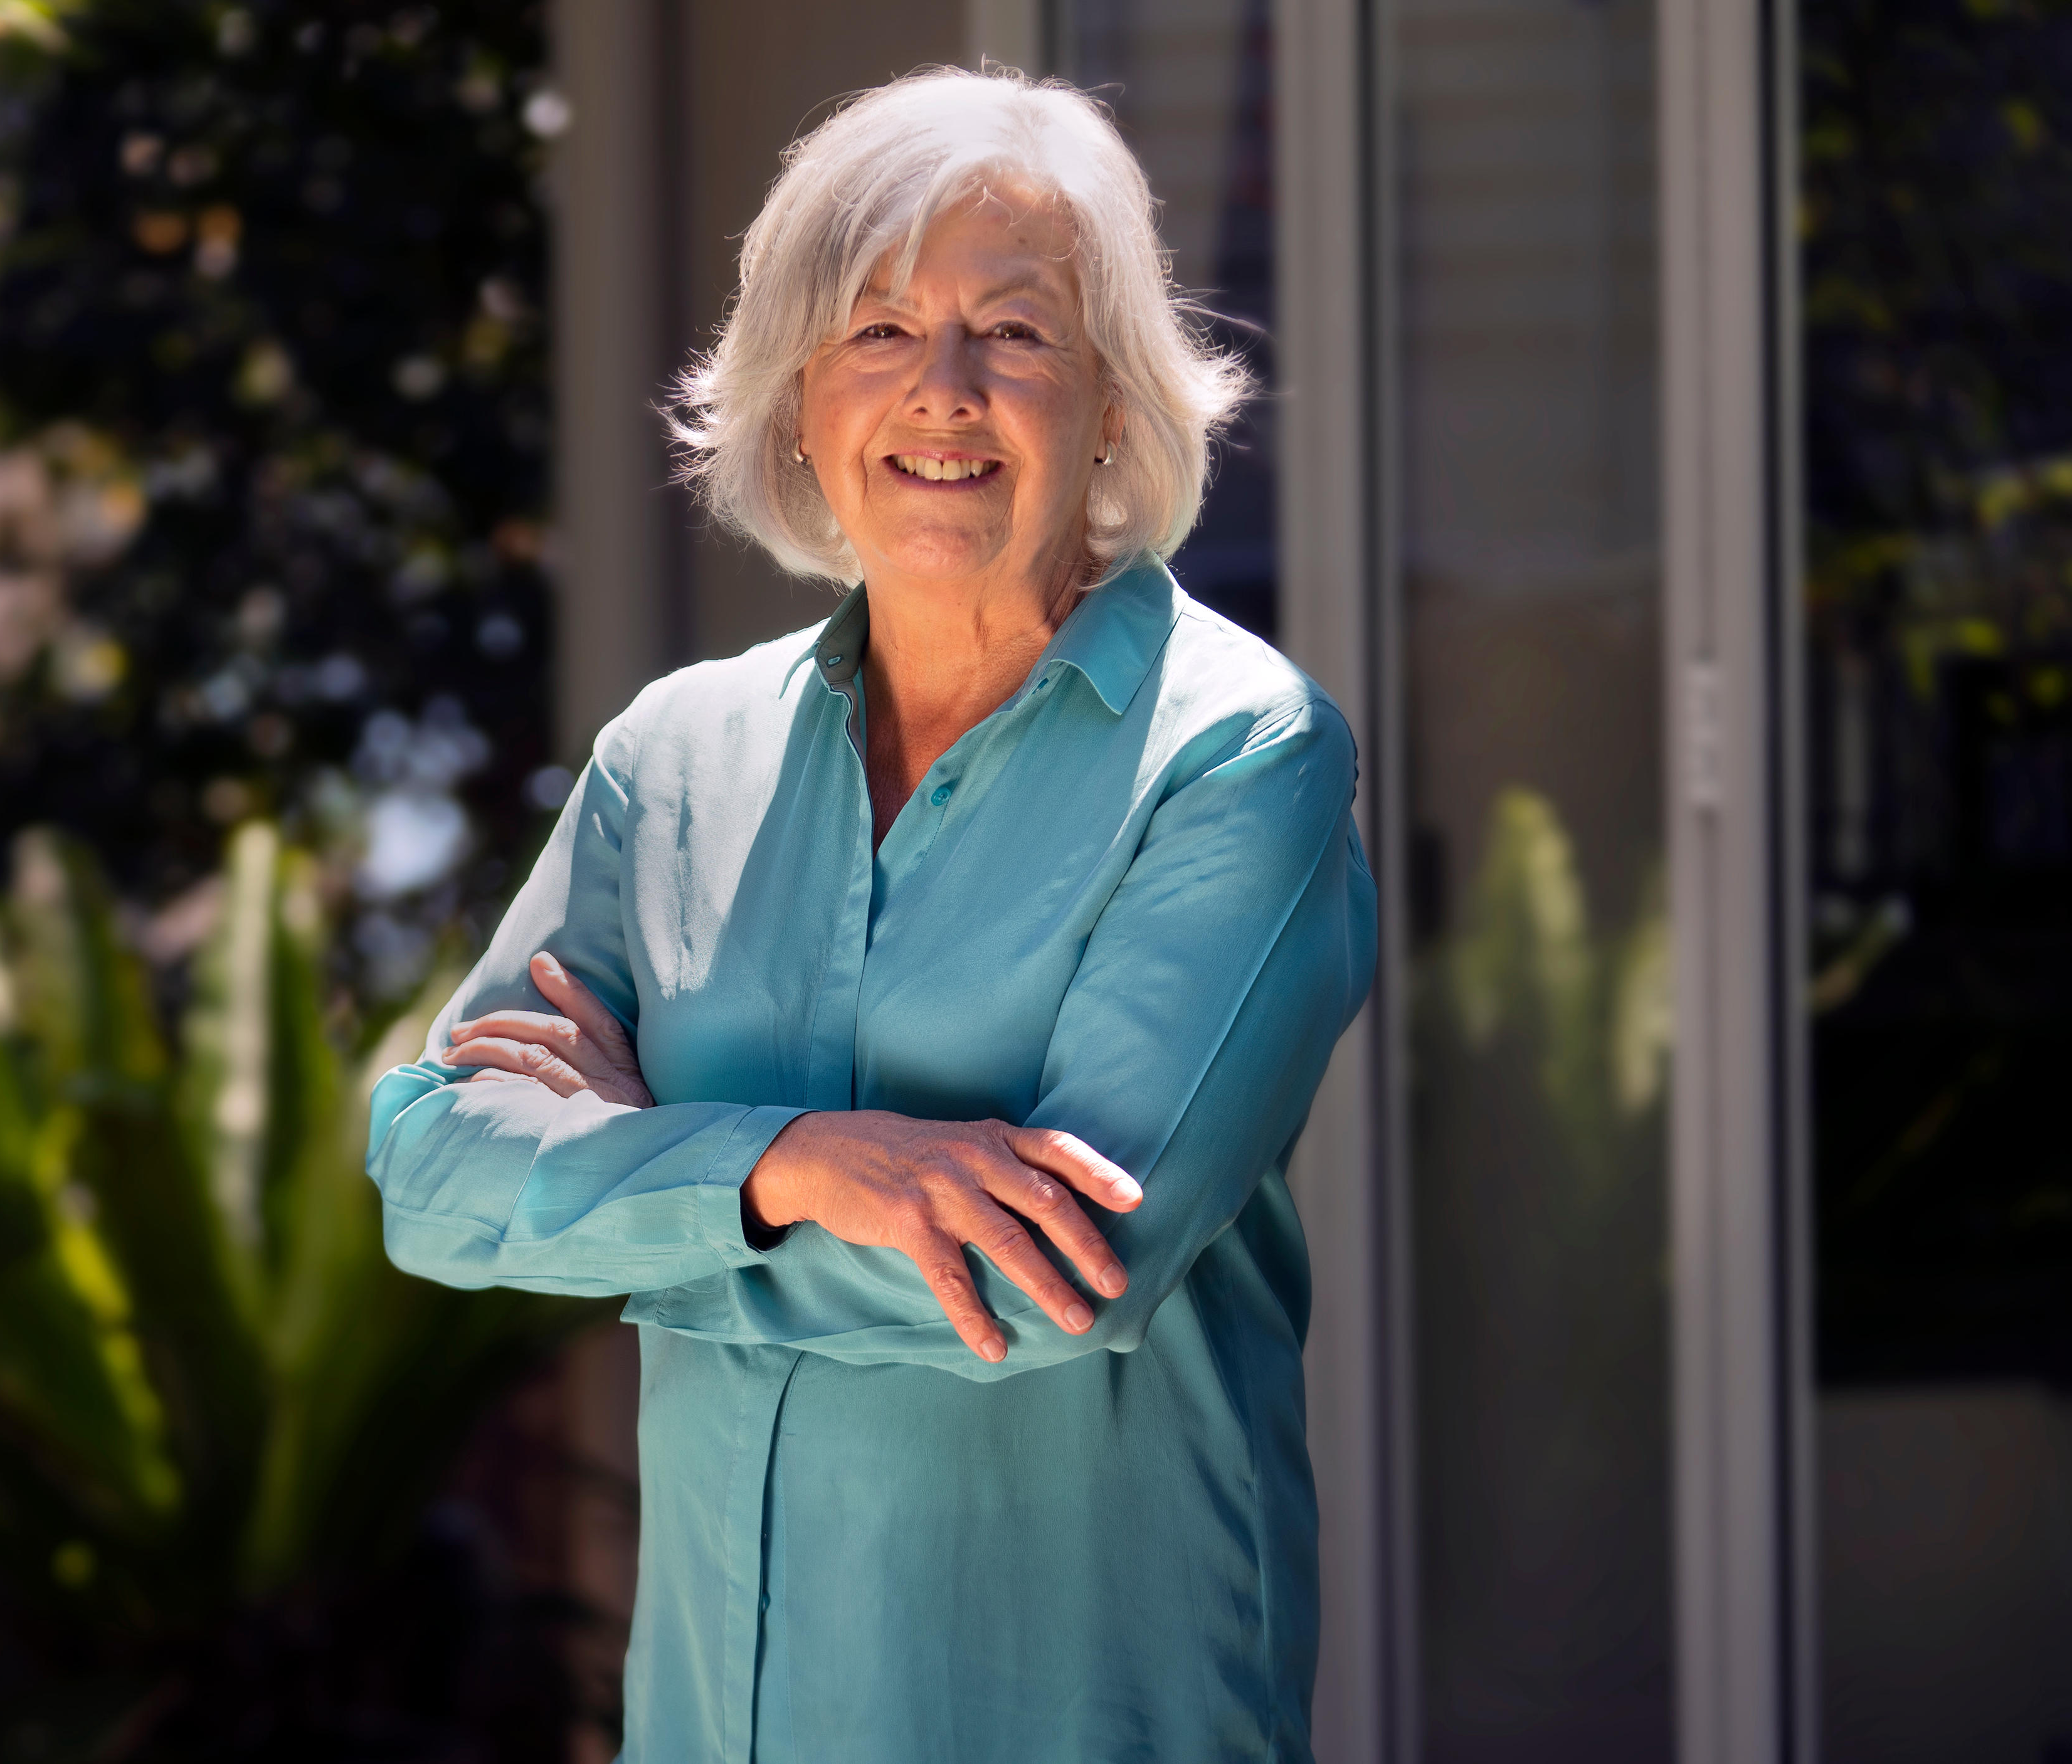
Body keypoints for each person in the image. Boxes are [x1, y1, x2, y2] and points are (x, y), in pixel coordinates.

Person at [364, 66, 1375, 1763]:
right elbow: (434, 1175)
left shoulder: (1238, 756)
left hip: (1081, 1709)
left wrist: (641, 1176)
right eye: (880, 332)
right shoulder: (676, 758)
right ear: (801, 396)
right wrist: (787, 1169)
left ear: (1118, 397)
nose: (948, 392)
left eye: (1019, 334)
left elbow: (1068, 1272)